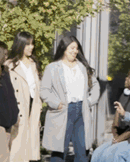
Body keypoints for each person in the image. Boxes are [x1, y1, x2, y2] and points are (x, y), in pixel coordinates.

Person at [41, 34, 100, 162]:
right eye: (72, 48)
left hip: (81, 111)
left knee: (82, 150)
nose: (75, 51)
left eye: (77, 48)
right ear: (64, 48)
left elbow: (95, 86)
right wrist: (56, 104)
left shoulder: (82, 67)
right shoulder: (52, 68)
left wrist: (89, 102)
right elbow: (44, 90)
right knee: (60, 150)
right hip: (63, 111)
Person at [8, 32, 44, 162]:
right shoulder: (10, 65)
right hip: (18, 107)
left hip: (33, 107)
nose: (31, 47)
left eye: (32, 44)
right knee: (17, 146)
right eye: (27, 44)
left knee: (30, 147)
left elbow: (37, 88)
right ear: (20, 45)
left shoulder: (34, 64)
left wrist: (39, 108)